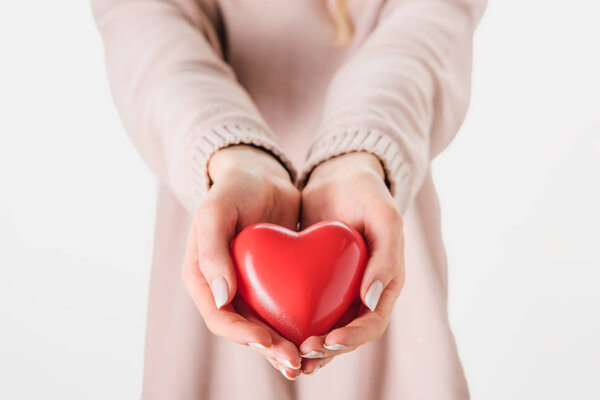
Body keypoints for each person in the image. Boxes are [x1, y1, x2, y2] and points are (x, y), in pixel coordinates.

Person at [92, 0, 487, 398]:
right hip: (225, 232)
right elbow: (144, 28)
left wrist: (361, 152)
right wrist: (228, 151)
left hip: (370, 230)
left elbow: (428, 31)